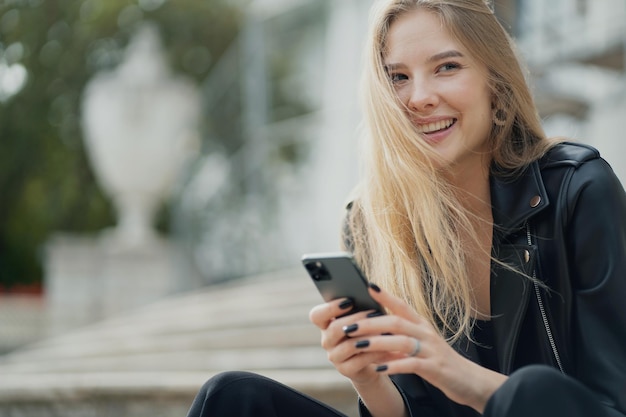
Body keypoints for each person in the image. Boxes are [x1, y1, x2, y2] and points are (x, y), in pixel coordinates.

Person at [186, 0, 626, 416]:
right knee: (231, 397)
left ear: (496, 81)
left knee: (532, 387)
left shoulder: (577, 190)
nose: (419, 98)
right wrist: (369, 379)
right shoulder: (371, 221)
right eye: (398, 77)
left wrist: (460, 376)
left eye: (446, 67)